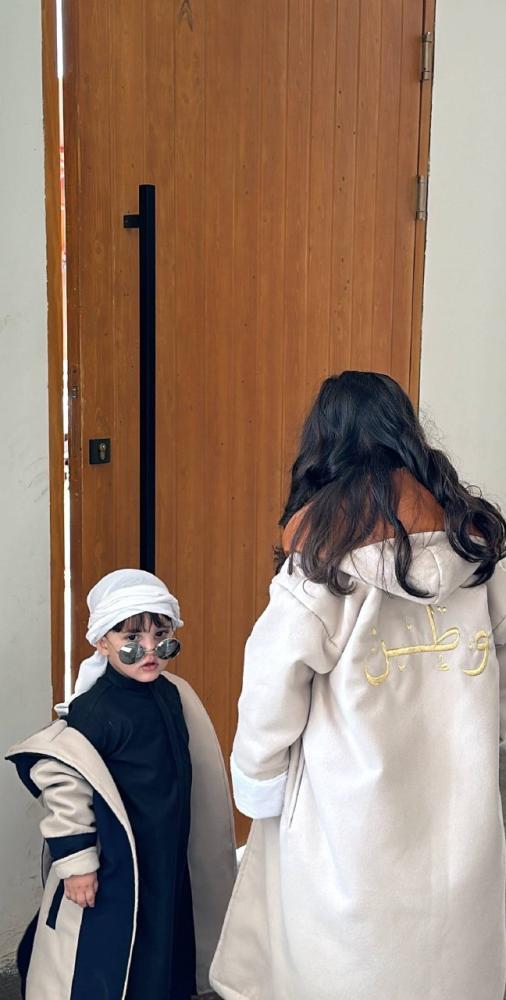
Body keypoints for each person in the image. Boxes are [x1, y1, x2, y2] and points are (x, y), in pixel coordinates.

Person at [210, 371, 506, 1000]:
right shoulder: (476, 552)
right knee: (450, 964)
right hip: (462, 815)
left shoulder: (324, 563)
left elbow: (269, 686)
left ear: (325, 443)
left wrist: (260, 780)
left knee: (346, 967)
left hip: (347, 823)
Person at [7, 568, 236, 1000]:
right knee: (115, 954)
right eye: (131, 639)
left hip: (167, 853)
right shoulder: (96, 711)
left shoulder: (172, 693)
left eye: (161, 637)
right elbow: (65, 782)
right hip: (118, 861)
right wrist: (78, 863)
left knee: (166, 942)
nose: (149, 650)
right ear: (102, 642)